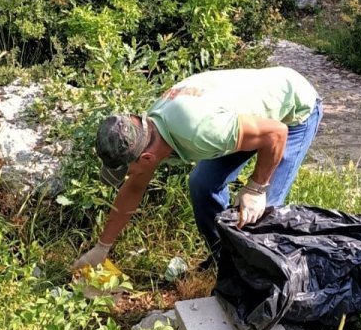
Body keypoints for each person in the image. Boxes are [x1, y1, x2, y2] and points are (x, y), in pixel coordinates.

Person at [70, 66, 323, 271]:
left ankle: (257, 278)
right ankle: (222, 260)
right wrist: (102, 247)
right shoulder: (148, 134)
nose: (128, 175)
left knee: (262, 214)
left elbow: (276, 133)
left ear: (145, 158)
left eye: (126, 169)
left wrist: (257, 188)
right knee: (202, 184)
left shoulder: (200, 131)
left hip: (293, 112)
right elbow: (134, 188)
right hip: (241, 119)